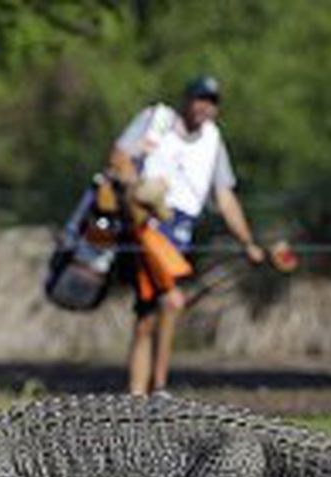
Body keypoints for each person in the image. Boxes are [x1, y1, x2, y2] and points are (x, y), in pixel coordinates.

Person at [108, 75, 264, 397]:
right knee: (172, 301)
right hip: (146, 228)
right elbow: (119, 157)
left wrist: (248, 242)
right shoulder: (157, 121)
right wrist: (138, 188)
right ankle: (159, 389)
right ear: (187, 99)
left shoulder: (213, 141)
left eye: (212, 101)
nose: (205, 106)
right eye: (200, 98)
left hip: (180, 235)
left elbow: (225, 197)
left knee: (147, 318)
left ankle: (137, 398)